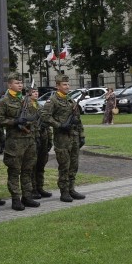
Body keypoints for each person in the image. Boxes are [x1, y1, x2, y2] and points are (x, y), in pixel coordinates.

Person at [0, 72, 40, 211]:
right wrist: (15, 121)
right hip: (15, 142)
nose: (20, 85)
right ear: (9, 85)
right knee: (14, 171)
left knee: (28, 170)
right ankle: (16, 199)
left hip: (29, 140)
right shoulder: (5, 101)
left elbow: (34, 116)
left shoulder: (26, 100)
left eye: (21, 83)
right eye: (17, 83)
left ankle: (27, 196)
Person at [40, 74, 86, 203]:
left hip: (74, 137)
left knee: (74, 165)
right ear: (57, 86)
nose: (67, 87)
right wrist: (59, 125)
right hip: (62, 139)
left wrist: (81, 135)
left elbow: (78, 120)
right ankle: (64, 192)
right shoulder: (53, 101)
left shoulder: (70, 101)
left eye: (68, 84)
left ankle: (71, 189)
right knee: (64, 166)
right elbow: (44, 116)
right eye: (64, 85)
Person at [31, 87, 53, 199]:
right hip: (33, 138)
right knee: (32, 166)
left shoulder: (40, 106)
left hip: (43, 137)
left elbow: (46, 124)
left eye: (36, 92)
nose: (36, 94)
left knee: (41, 164)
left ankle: (40, 187)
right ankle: (32, 189)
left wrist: (49, 139)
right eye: (33, 92)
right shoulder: (26, 106)